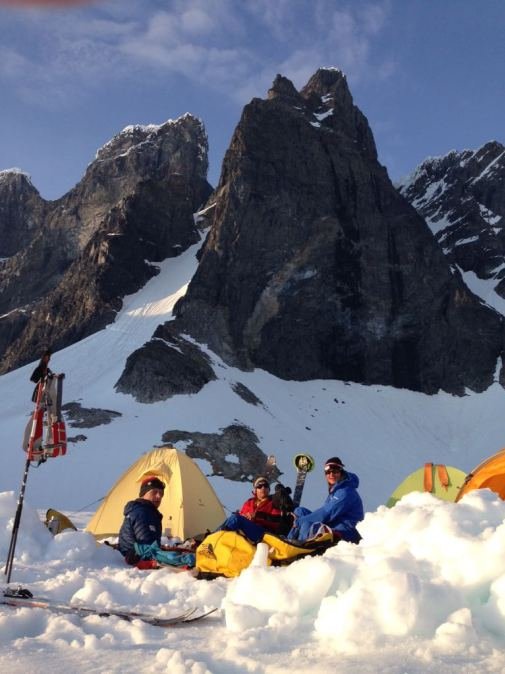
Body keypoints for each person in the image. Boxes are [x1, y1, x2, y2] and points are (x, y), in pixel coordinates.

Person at [118, 476, 195, 568]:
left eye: (161, 494)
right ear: (144, 494)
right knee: (185, 558)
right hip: (136, 555)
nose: (159, 496)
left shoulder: (147, 511)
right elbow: (147, 546)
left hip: (136, 552)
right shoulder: (142, 513)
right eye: (154, 492)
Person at [288, 457, 363, 544]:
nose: (331, 475)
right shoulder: (336, 490)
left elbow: (327, 513)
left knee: (307, 524)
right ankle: (289, 540)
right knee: (300, 511)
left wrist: (299, 522)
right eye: (328, 472)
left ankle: (300, 546)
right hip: (333, 524)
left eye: (335, 471)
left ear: (341, 472)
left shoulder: (345, 492)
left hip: (346, 531)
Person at [219, 475, 294, 543]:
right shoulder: (249, 502)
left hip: (264, 534)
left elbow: (278, 522)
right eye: (259, 486)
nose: (263, 488)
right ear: (255, 490)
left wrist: (256, 518)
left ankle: (219, 538)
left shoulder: (273, 502)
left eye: (265, 485)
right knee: (232, 519)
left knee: (236, 519)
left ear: (269, 489)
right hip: (247, 530)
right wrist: (245, 517)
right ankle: (218, 538)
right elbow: (241, 515)